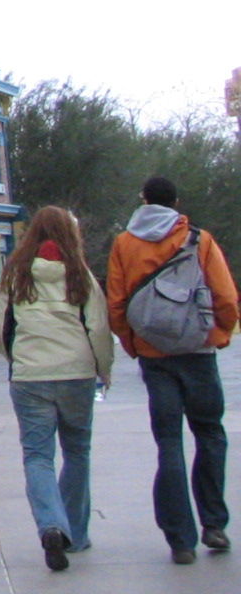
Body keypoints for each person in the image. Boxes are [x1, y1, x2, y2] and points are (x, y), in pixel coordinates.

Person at [106, 175, 238, 564]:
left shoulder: (124, 244)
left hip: (155, 357)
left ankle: (181, 541)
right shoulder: (199, 239)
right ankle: (214, 523)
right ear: (175, 203)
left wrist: (134, 345)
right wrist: (218, 334)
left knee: (169, 443)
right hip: (197, 353)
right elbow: (226, 296)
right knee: (210, 433)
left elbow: (117, 304)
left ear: (143, 200)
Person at [0, 206, 115, 572]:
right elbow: (99, 329)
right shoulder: (80, 274)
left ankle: (51, 525)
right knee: (78, 451)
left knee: (38, 455)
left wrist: (15, 357)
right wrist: (103, 371)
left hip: (30, 376)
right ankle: (75, 531)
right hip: (76, 373)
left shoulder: (15, 273)